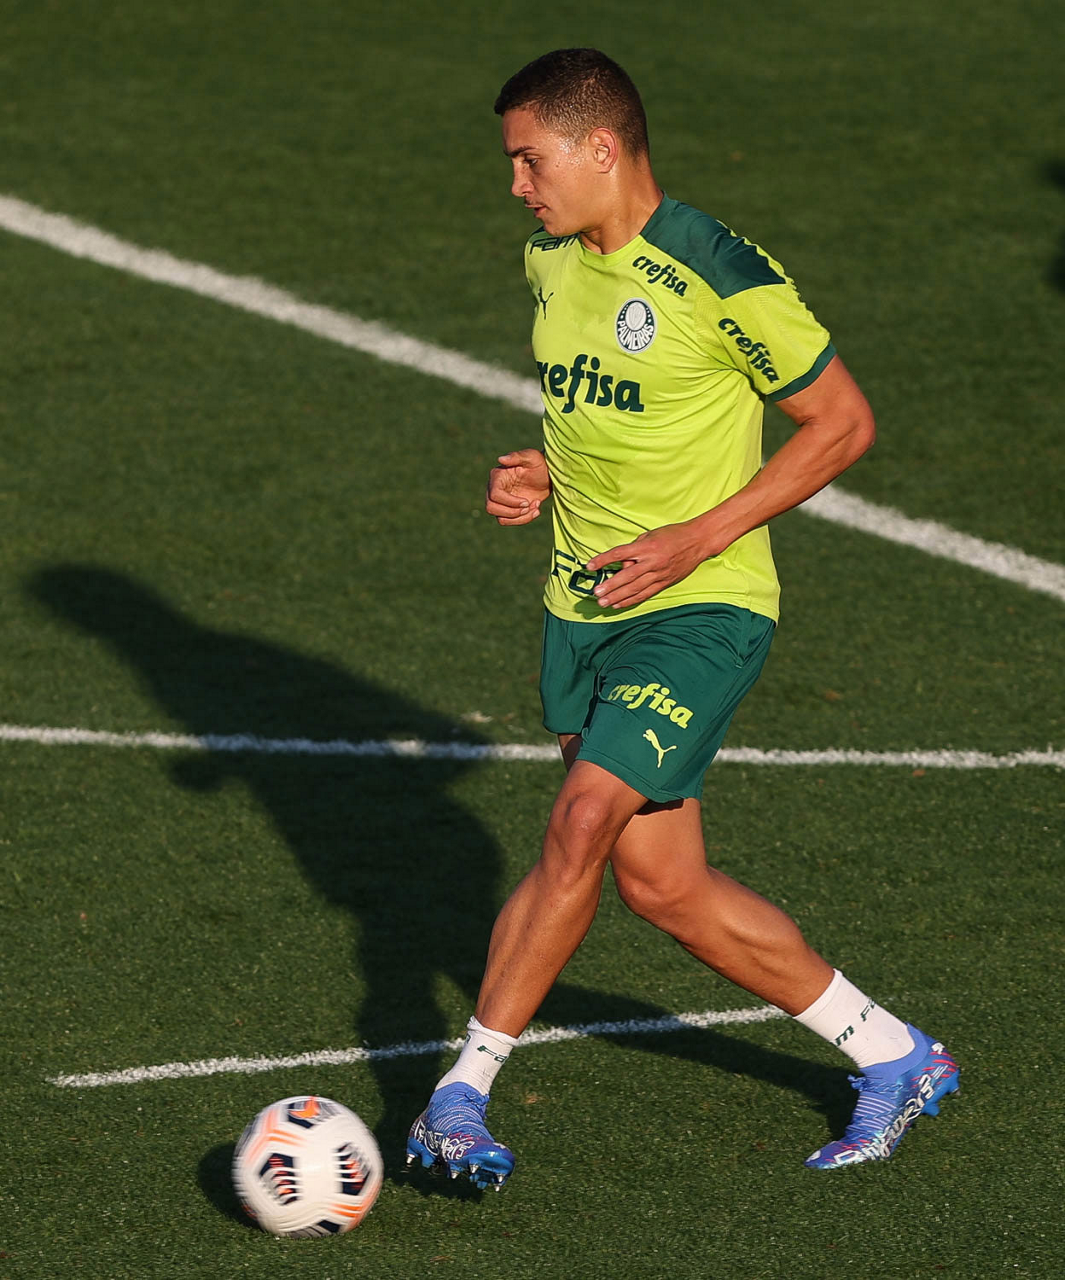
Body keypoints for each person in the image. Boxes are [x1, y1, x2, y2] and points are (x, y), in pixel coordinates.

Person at [407, 48, 958, 1188]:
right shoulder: (550, 264)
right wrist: (543, 471)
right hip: (583, 607)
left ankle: (459, 1096)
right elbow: (605, 408)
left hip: (702, 605)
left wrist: (696, 540)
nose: (515, 184)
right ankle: (895, 1054)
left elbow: (842, 423)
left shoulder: (719, 272)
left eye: (530, 159)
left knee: (580, 820)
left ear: (603, 148)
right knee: (662, 884)